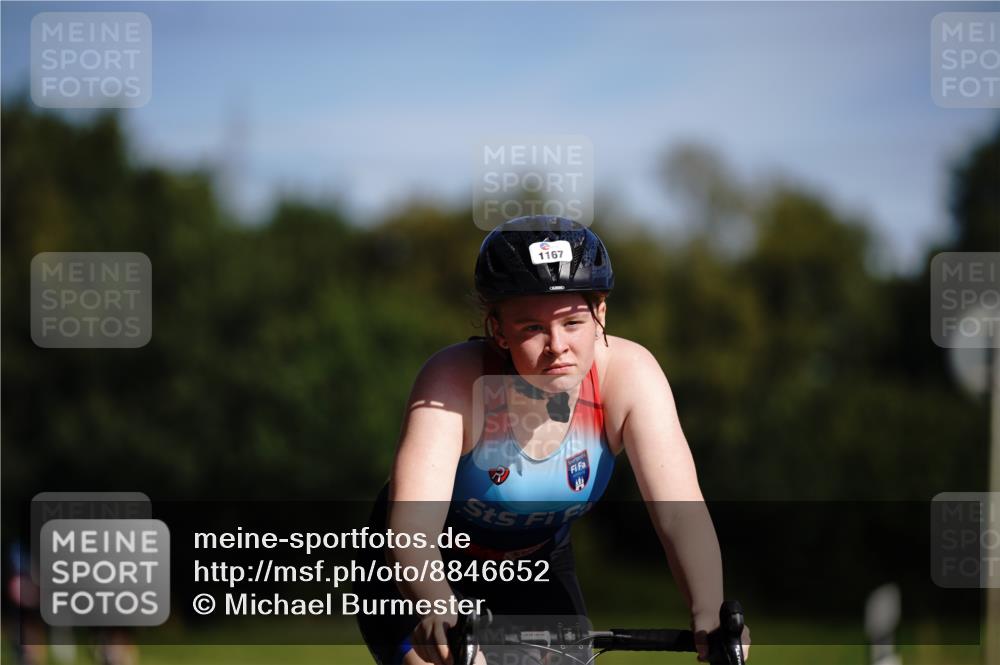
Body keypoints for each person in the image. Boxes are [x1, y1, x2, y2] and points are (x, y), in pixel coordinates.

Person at [354, 215, 750, 665]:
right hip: (423, 567)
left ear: (600, 313)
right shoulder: (452, 380)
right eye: (531, 328)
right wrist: (439, 609)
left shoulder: (630, 376)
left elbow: (680, 514)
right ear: (497, 330)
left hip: (537, 564)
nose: (556, 345)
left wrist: (707, 611)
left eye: (573, 323)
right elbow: (412, 531)